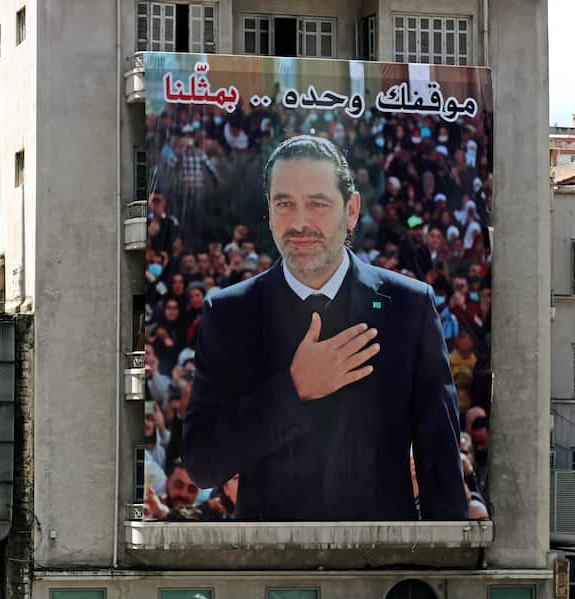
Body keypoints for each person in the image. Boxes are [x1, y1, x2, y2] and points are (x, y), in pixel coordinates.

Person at [182, 135, 467, 521]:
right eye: (285, 203)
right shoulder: (230, 312)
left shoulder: (409, 308)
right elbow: (202, 464)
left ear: (351, 210)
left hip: (381, 568)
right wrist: (294, 389)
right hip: (273, 569)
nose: (300, 222)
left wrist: (443, 576)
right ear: (269, 209)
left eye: (317, 203)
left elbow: (442, 471)